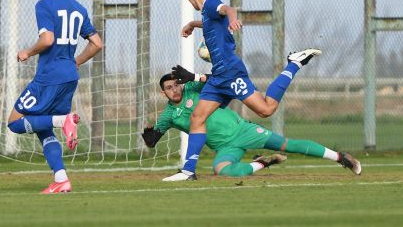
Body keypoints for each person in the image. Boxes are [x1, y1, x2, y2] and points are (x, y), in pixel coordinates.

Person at [165, 0, 322, 181]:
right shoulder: (206, 12)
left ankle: (294, 63)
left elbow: (227, 9)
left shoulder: (211, 3)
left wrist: (233, 19)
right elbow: (212, 21)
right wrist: (193, 24)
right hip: (219, 77)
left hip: (230, 73)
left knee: (266, 109)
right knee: (197, 117)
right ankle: (188, 171)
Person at [143, 71, 361, 181]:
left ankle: (340, 157)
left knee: (288, 144)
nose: (175, 89)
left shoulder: (192, 88)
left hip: (243, 131)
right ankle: (263, 164)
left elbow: (218, 79)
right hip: (225, 148)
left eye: (176, 84)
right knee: (222, 170)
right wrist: (149, 136)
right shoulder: (168, 115)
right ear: (163, 93)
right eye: (169, 88)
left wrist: (192, 76)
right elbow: (154, 139)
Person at [6, 0, 102, 194]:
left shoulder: (44, 5)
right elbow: (97, 43)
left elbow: (47, 39)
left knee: (15, 123)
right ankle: (61, 179)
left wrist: (27, 51)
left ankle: (64, 121)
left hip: (48, 77)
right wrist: (76, 61)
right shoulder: (79, 8)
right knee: (43, 127)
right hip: (69, 76)